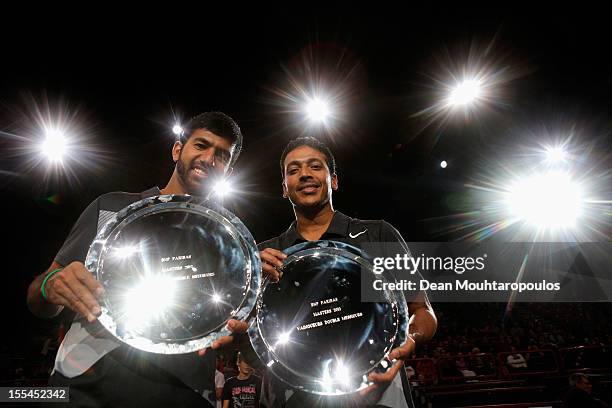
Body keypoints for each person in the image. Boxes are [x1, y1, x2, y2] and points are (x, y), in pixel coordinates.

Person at [26, 111, 243, 407]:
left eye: (221, 155)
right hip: (86, 385)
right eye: (201, 145)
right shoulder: (111, 207)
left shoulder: (230, 244)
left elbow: (235, 323)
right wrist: (51, 285)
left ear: (227, 171)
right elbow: (38, 299)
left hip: (184, 393)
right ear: (177, 150)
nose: (208, 158)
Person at [257, 137, 438, 407]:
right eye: (293, 170)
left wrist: (409, 338)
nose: (304, 174)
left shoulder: (377, 235)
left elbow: (421, 311)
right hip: (297, 393)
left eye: (315, 166)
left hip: (379, 389)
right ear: (284, 188)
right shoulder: (267, 255)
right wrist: (251, 289)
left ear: (334, 180)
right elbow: (249, 336)